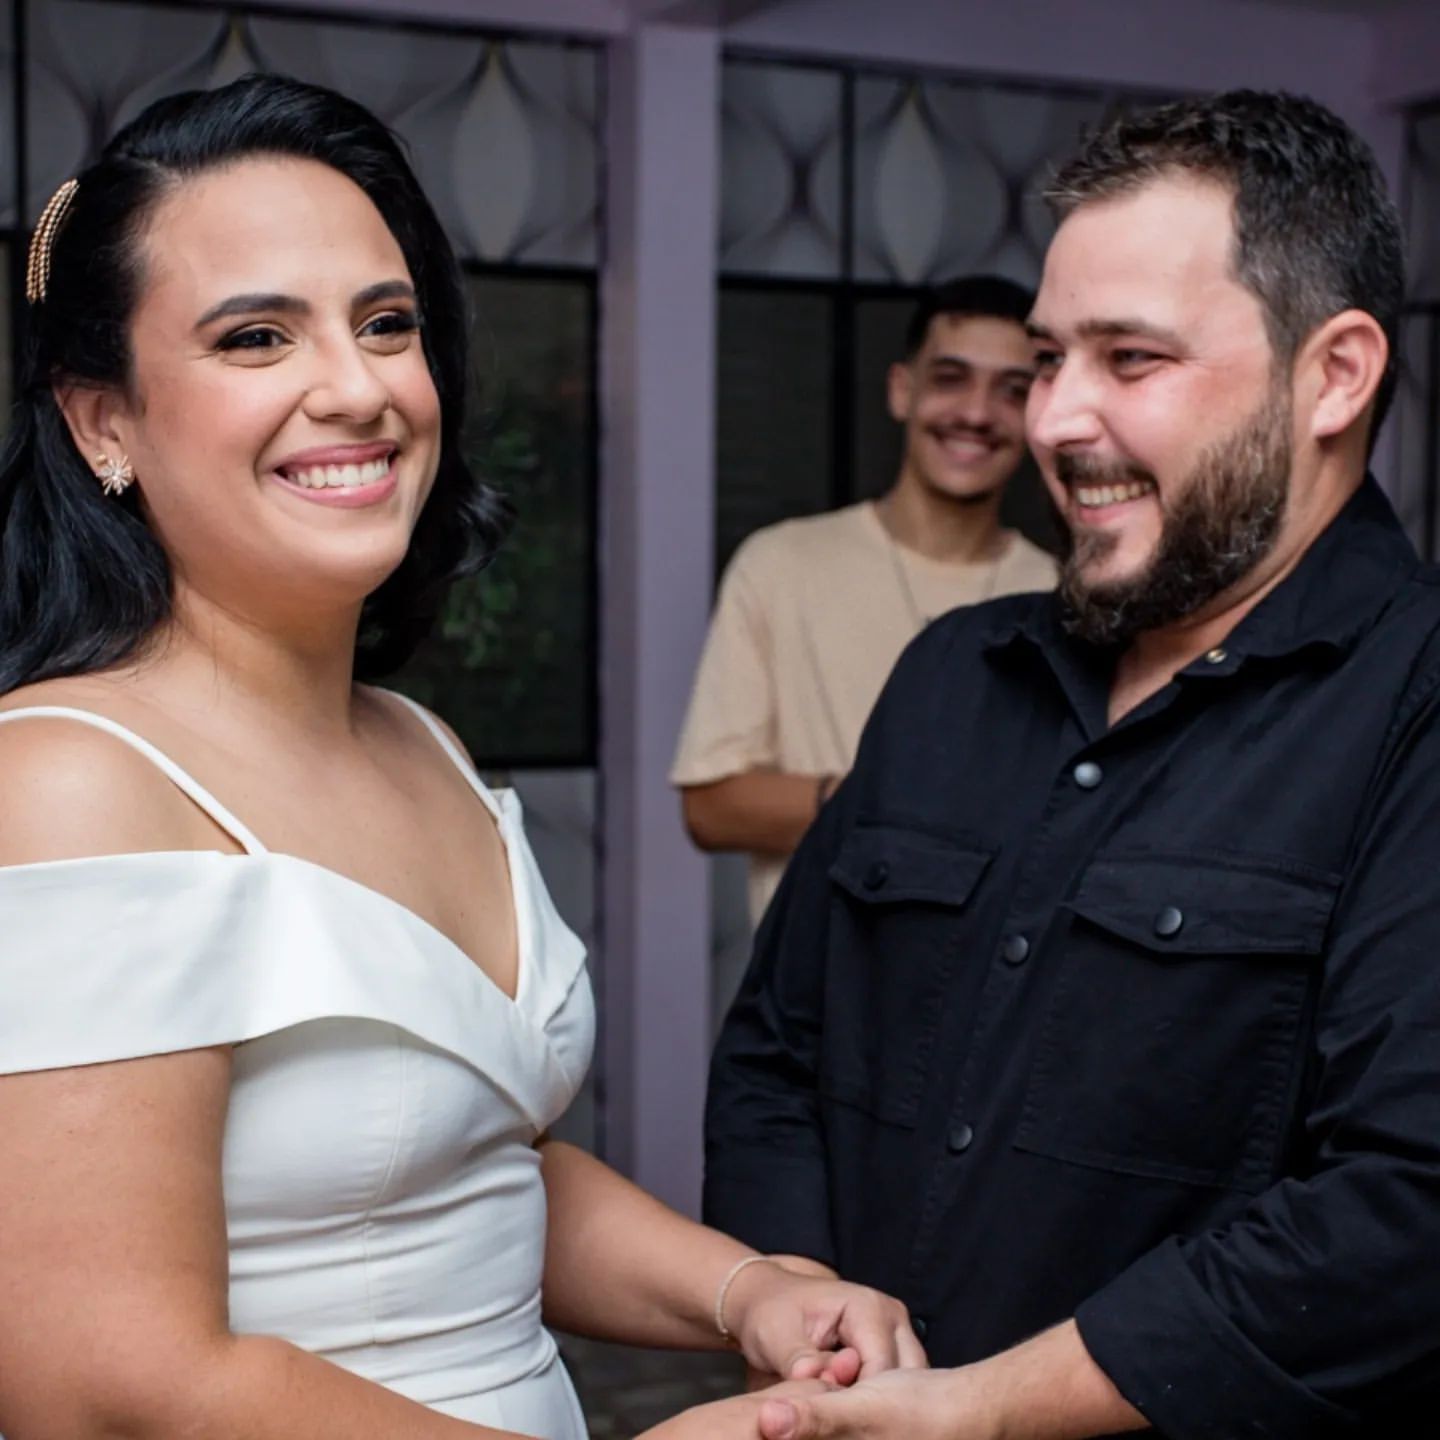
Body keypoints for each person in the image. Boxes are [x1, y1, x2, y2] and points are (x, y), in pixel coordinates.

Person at [0, 75, 925, 1440]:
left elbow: (478, 1171)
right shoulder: (68, 784)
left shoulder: (420, 742)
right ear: (103, 422)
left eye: (389, 324)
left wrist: (746, 1291)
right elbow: (114, 1381)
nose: (360, 387)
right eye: (258, 338)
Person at [705, 89, 1440, 1440]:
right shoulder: (950, 677)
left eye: (1130, 360)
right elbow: (775, 1056)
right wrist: (801, 1312)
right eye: (1052, 359)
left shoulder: (1413, 709)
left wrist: (981, 1411)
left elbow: (1402, 1208)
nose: (1051, 420)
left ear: (1333, 374)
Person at [672, 278, 1058, 928]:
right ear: (902, 390)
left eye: (1012, 391)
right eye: (950, 378)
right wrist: (895, 796)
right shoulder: (781, 564)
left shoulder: (1062, 597)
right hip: (815, 1004)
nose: (976, 413)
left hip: (992, 999)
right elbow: (710, 807)